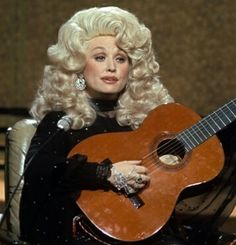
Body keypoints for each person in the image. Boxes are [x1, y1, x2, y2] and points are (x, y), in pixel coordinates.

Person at [19, 6, 236, 245]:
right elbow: (38, 168)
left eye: (120, 58)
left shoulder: (147, 119)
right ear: (79, 66)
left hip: (145, 227)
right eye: (100, 57)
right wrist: (107, 173)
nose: (111, 67)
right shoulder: (63, 118)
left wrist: (169, 169)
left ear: (131, 69)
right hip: (80, 231)